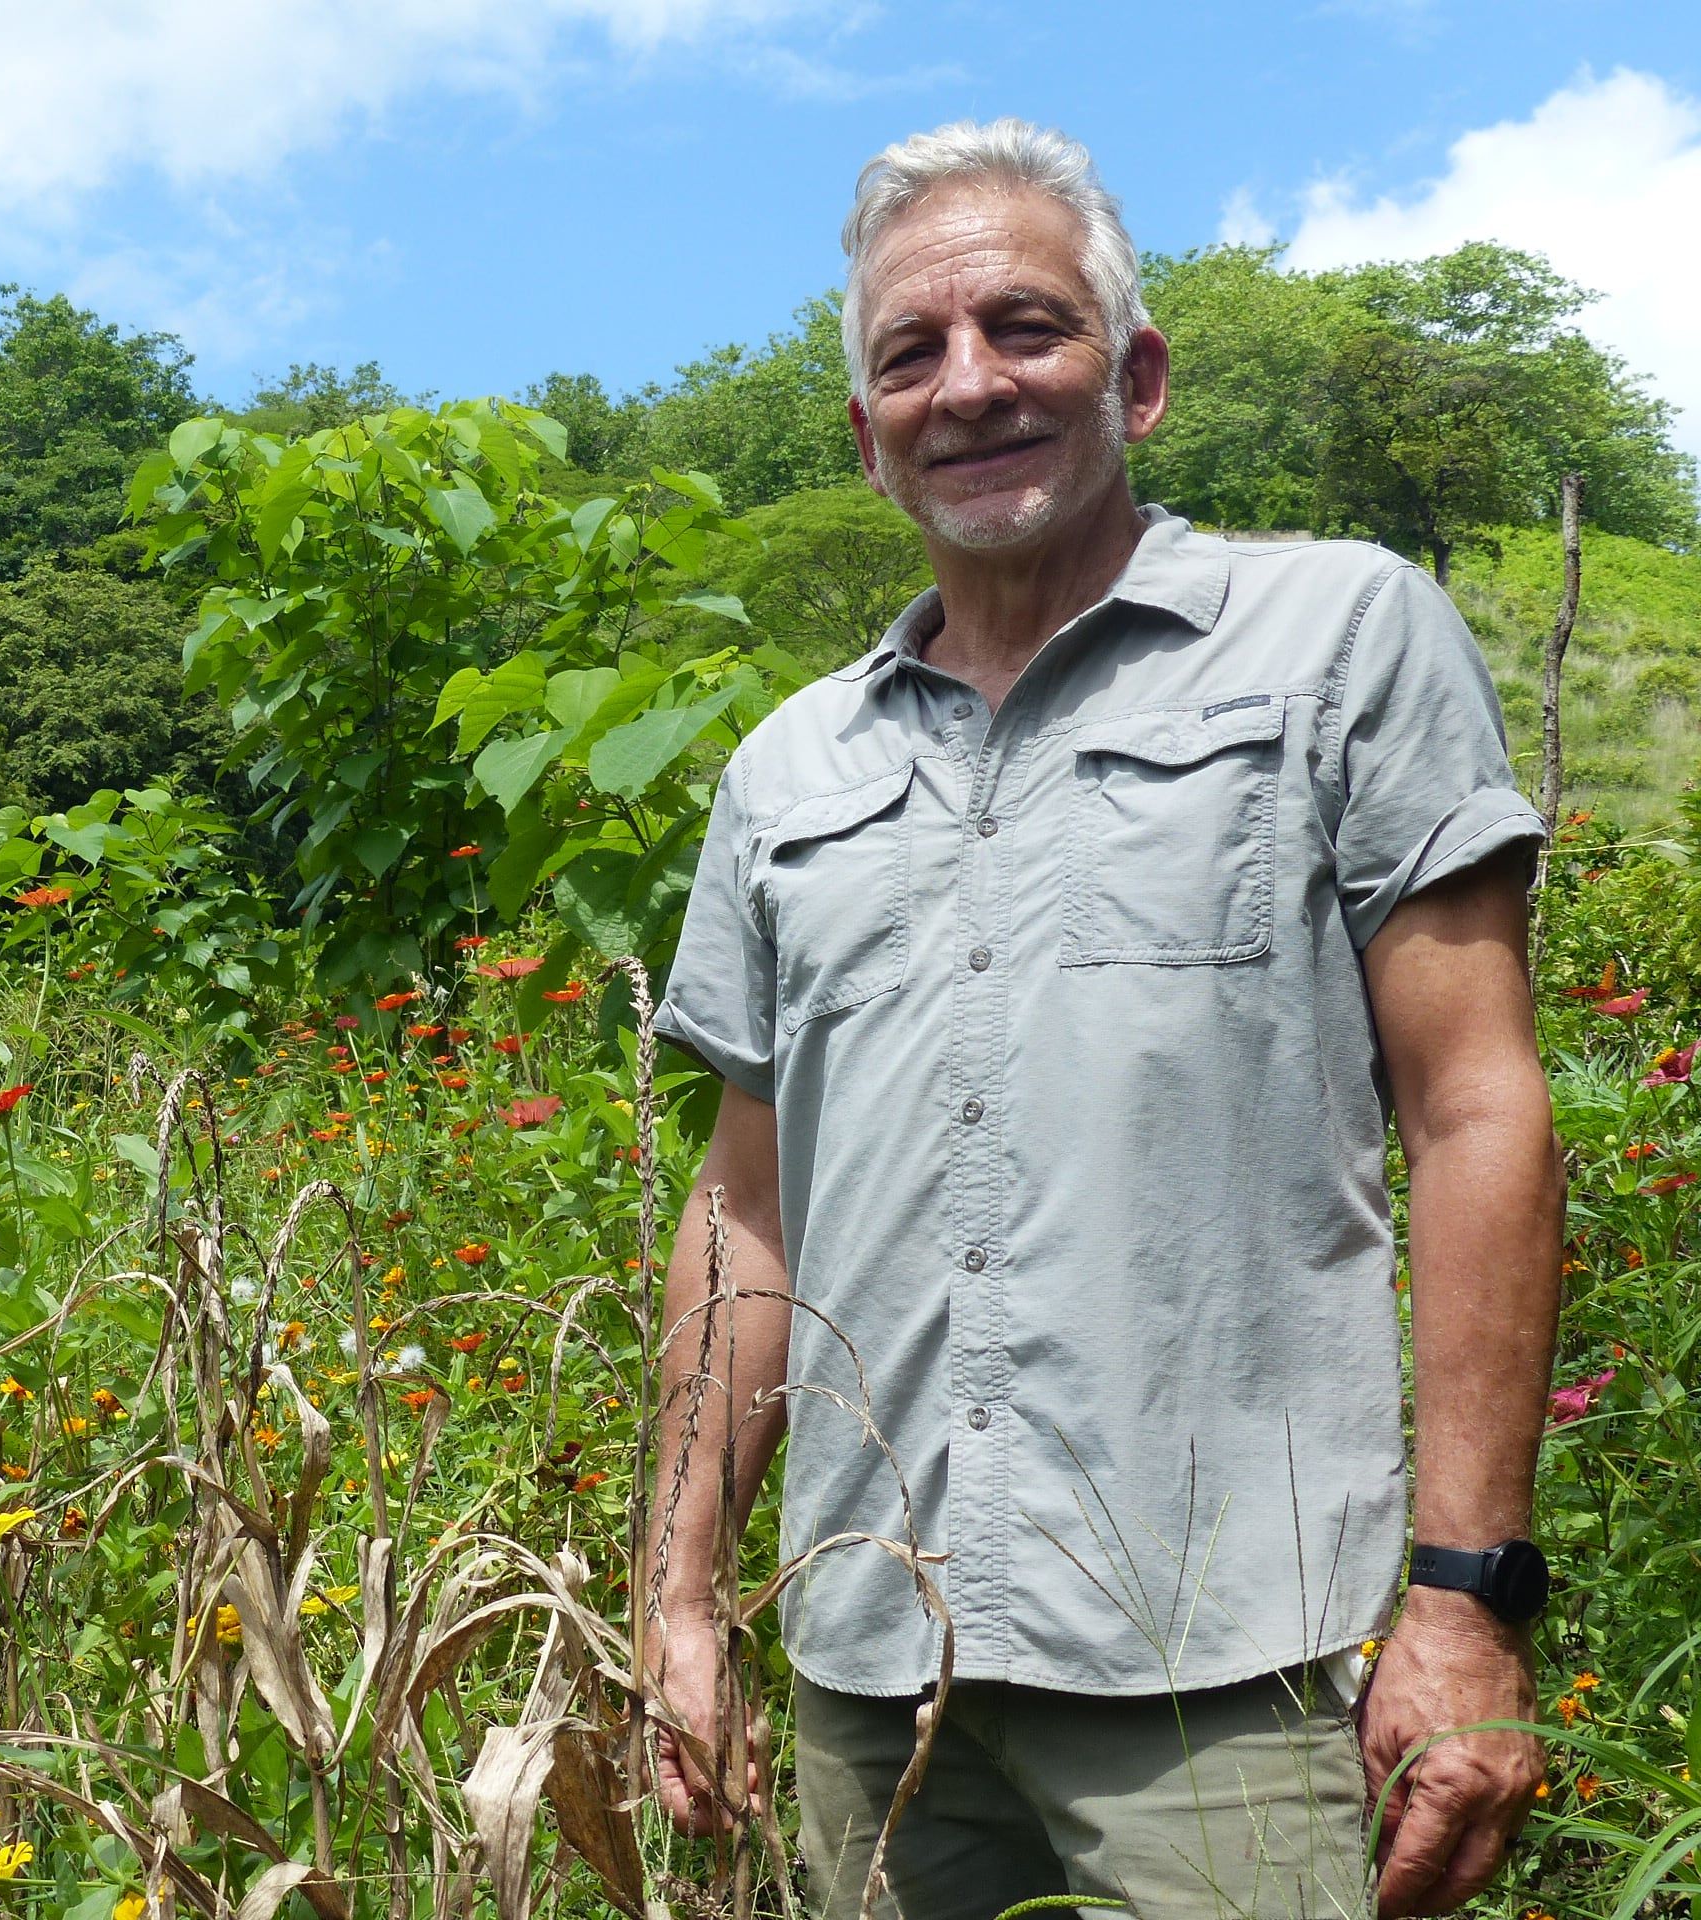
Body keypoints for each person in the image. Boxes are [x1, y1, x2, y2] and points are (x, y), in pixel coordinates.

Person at [642, 118, 1562, 1920]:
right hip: (868, 1676)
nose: (969, 385)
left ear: (1134, 377)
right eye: (912, 353)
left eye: (1027, 328)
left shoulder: (1337, 641)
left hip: (1236, 1673)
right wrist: (679, 1595)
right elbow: (745, 1209)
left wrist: (1466, 1603)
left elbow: (1478, 1111)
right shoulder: (789, 767)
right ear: (864, 432)